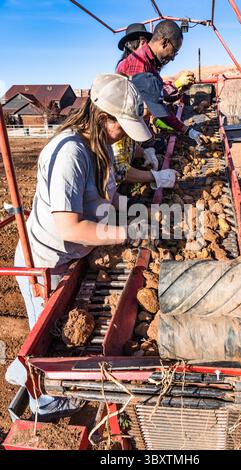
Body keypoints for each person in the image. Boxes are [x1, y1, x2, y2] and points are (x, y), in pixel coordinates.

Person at [5, 73, 155, 421]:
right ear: (104, 117)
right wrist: (125, 234)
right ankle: (45, 401)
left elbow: (107, 194)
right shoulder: (71, 153)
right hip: (46, 263)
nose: (123, 135)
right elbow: (68, 225)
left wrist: (137, 212)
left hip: (73, 255)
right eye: (122, 126)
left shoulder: (98, 148)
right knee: (49, 341)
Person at [116, 19, 205, 145]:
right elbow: (151, 104)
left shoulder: (151, 64)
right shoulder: (138, 63)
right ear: (164, 42)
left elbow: (159, 98)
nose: (173, 58)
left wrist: (182, 88)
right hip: (129, 135)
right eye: (174, 51)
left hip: (140, 132)